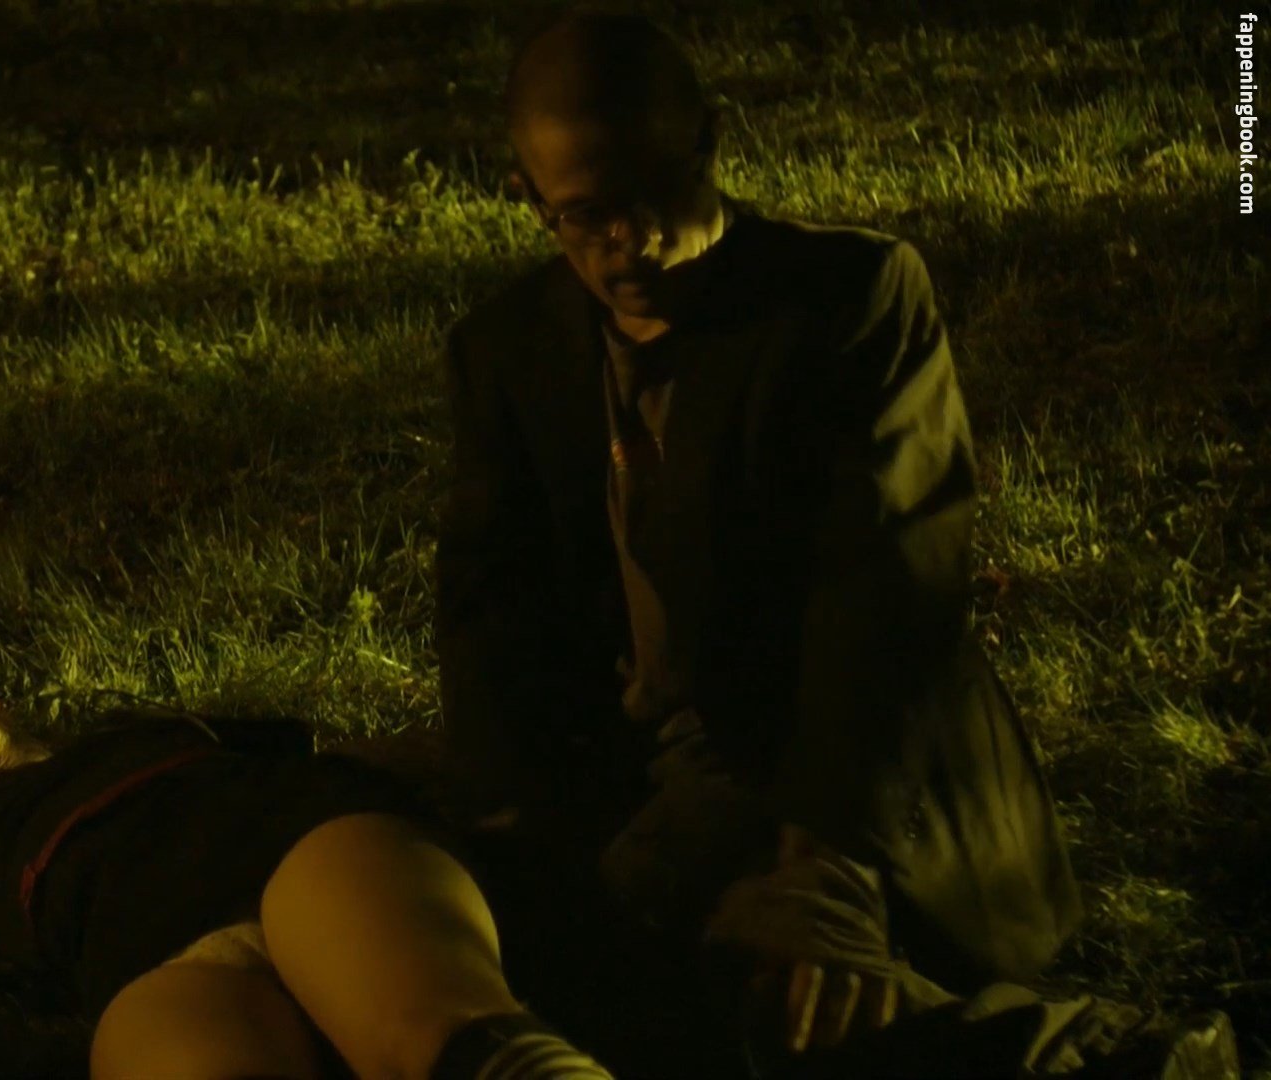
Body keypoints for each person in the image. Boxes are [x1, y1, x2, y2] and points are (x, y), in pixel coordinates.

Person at [431, 5, 1239, 1077]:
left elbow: (890, 587)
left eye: (650, 193)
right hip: (650, 777)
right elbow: (491, 614)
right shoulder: (510, 351)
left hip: (841, 773)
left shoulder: (843, 300)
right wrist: (517, 826)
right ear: (530, 198)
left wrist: (827, 862)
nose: (629, 242)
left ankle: (1116, 1061)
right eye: (584, 216)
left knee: (775, 990)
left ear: (708, 144)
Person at [0, 706, 620, 1080]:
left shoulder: (136, 737)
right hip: (152, 960)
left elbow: (310, 754)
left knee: (434, 1029)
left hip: (286, 844)